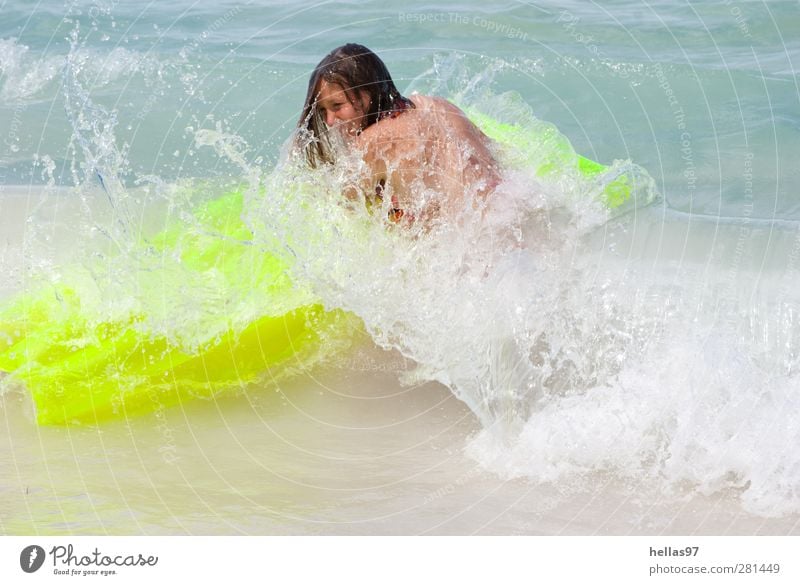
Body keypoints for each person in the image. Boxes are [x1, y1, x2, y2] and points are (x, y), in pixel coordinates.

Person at [296, 43, 500, 225]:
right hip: (508, 207)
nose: (330, 121)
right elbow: (497, 156)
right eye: (323, 111)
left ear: (367, 96)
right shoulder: (438, 106)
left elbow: (343, 209)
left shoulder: (372, 142)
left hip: (477, 238)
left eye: (337, 106)